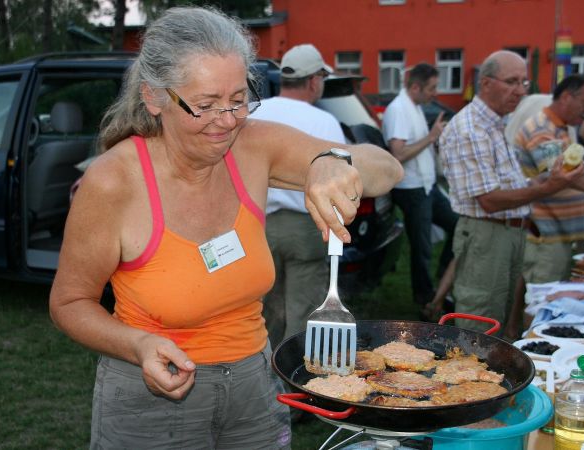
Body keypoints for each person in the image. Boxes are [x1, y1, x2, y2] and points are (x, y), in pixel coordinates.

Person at [47, 7, 403, 449]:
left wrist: (332, 161)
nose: (228, 120)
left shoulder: (252, 145)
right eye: (205, 105)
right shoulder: (114, 181)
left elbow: (387, 169)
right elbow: (69, 302)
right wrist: (137, 344)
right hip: (152, 392)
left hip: (254, 386)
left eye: (238, 99)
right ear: (155, 98)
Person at [438, 50, 584, 334]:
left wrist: (547, 179)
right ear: (486, 83)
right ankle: (470, 375)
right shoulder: (471, 128)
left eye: (524, 83)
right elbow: (489, 200)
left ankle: (492, 374)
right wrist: (547, 187)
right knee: (479, 325)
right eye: (511, 82)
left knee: (498, 318)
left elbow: (508, 186)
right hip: (488, 233)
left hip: (506, 232)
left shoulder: (495, 122)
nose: (520, 91)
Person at [249, 44, 346, 348]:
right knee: (303, 310)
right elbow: (340, 179)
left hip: (257, 224)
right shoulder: (324, 122)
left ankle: (265, 374)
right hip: (306, 225)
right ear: (314, 80)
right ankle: (296, 380)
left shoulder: (255, 111)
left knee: (263, 309)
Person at [515, 73, 584, 285]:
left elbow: (571, 187)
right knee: (541, 300)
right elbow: (564, 177)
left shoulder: (561, 129)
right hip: (546, 235)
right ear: (566, 97)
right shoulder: (542, 129)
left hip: (558, 236)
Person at [382, 63, 458, 312]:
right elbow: (398, 153)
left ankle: (442, 278)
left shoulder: (414, 106)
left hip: (427, 186)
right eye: (432, 88)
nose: (434, 93)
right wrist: (431, 137)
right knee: (422, 246)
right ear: (415, 86)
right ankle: (425, 298)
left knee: (457, 226)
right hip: (411, 189)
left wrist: (435, 141)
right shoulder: (398, 109)